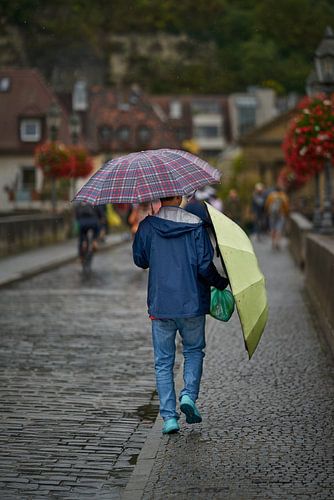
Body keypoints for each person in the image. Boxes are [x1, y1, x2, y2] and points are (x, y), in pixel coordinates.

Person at [132, 195, 229, 434]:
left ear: (160, 198)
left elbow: (140, 260)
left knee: (163, 362)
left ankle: (169, 419)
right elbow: (205, 266)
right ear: (178, 196)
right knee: (194, 351)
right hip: (192, 303)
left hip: (161, 305)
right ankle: (188, 396)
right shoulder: (196, 225)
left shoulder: (147, 225)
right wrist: (221, 283)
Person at [265, 185, 289, 250]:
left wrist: (268, 212)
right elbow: (286, 206)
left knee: (272, 229)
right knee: (279, 229)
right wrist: (286, 214)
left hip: (272, 215)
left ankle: (273, 243)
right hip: (281, 214)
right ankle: (278, 243)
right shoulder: (283, 196)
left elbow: (266, 205)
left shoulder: (271, 196)